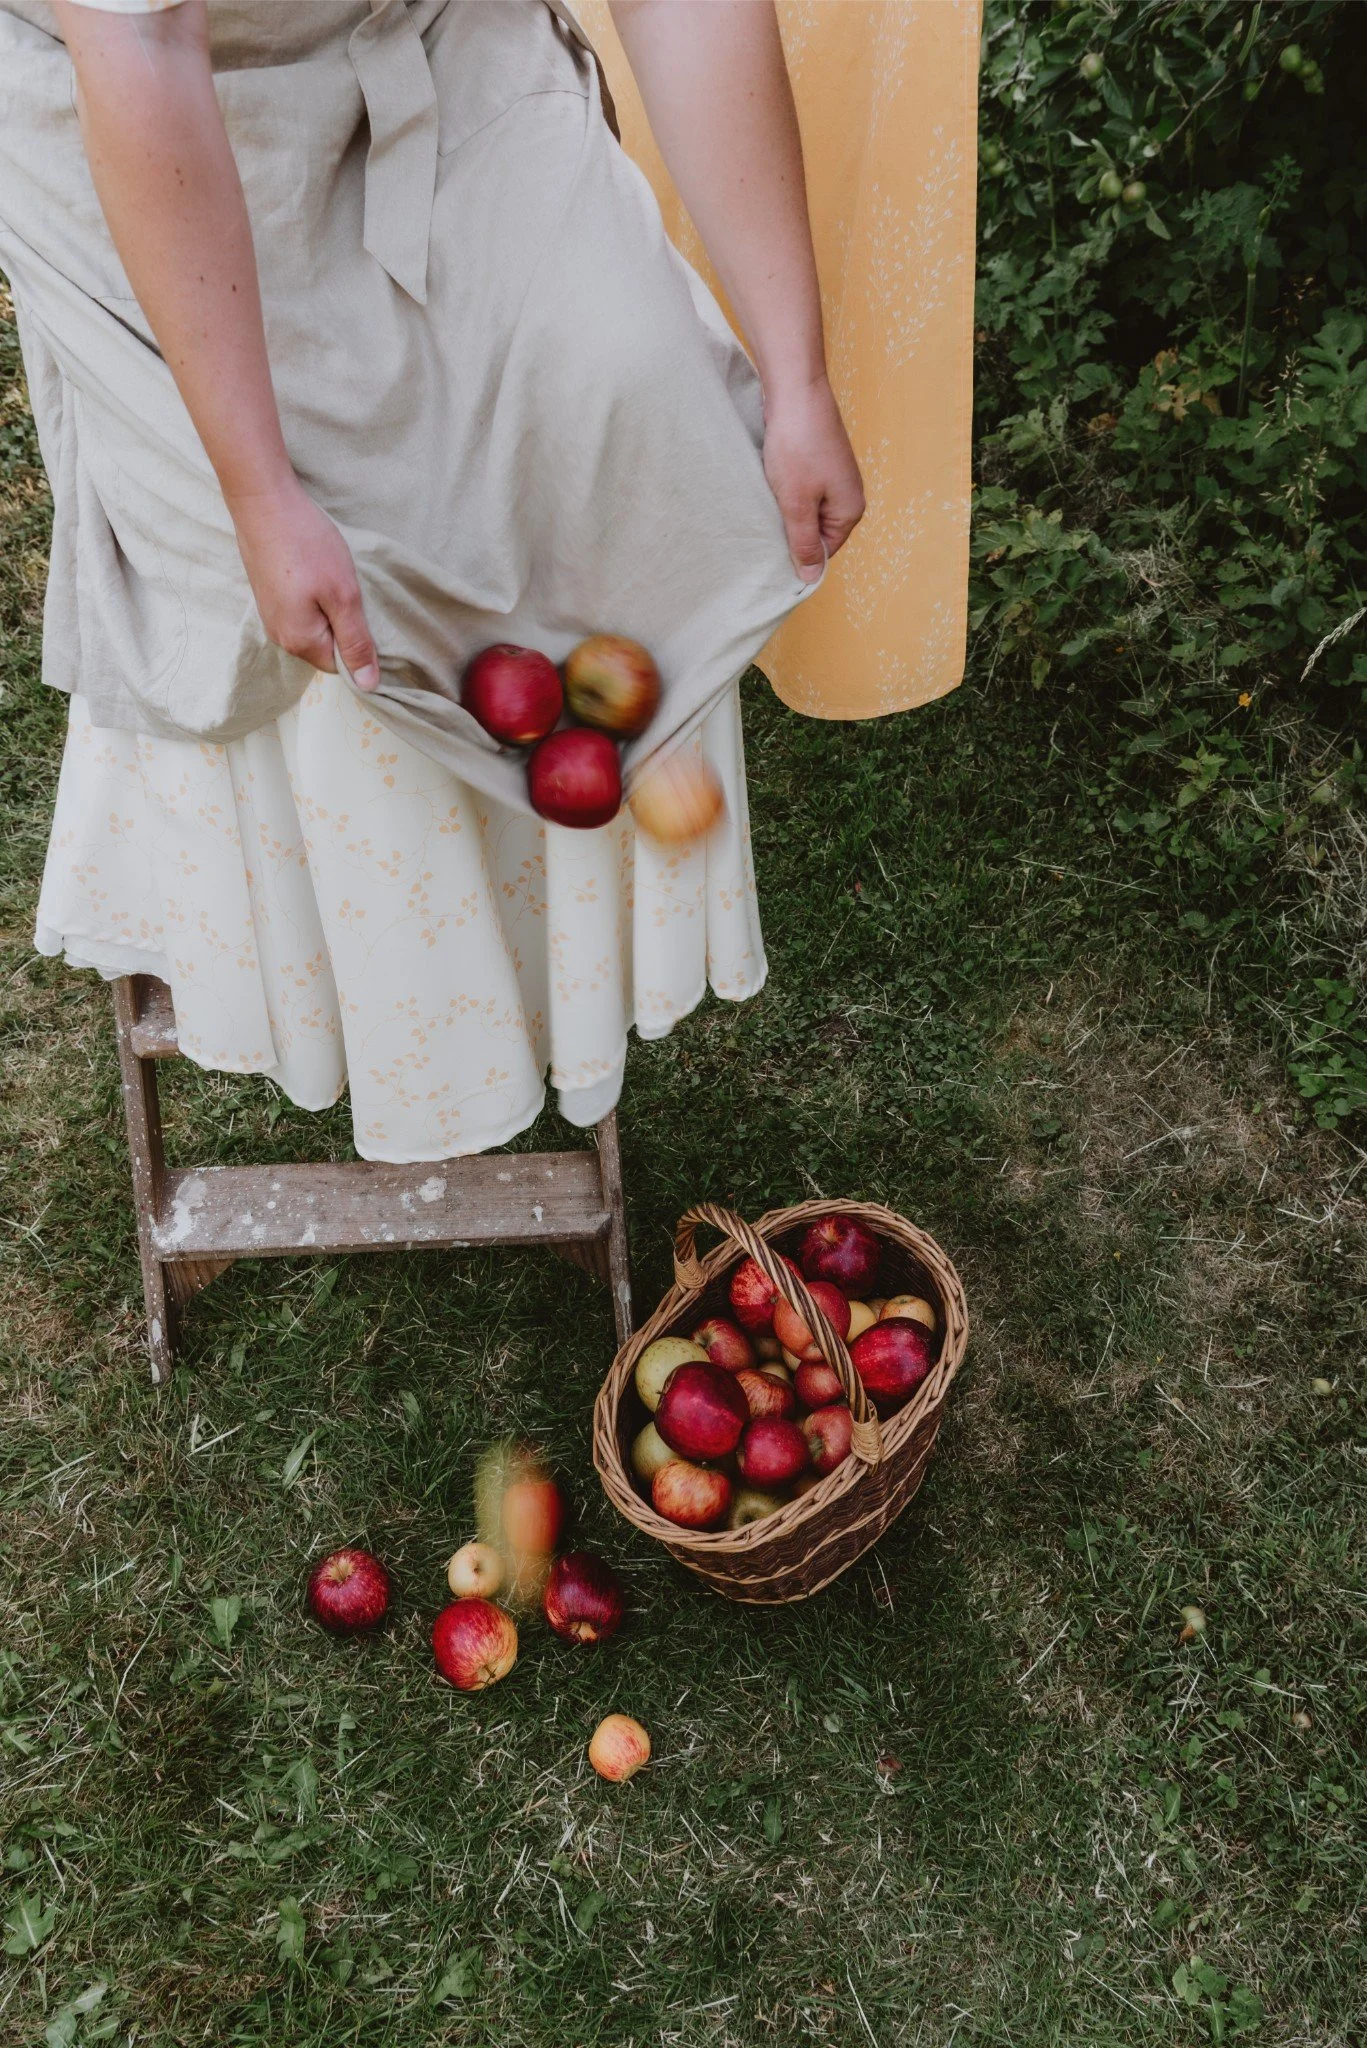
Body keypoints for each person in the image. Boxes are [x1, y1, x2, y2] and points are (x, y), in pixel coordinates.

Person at [0, 0, 862, 1159]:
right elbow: (145, 47)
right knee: (331, 572)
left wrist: (797, 379)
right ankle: (387, 1007)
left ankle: (574, 965)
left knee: (627, 381)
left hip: (430, 35)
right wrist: (263, 498)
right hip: (156, 123)